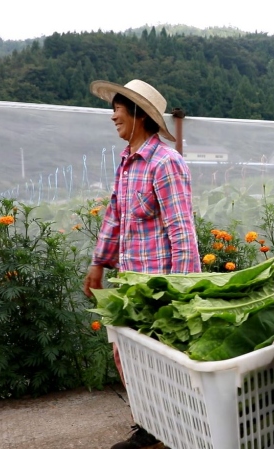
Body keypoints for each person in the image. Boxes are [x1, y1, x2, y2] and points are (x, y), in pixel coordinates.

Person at [83, 79, 201, 449]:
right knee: (129, 356)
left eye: (119, 107)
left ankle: (167, 433)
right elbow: (115, 218)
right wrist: (98, 264)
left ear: (140, 115)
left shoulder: (166, 163)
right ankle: (152, 426)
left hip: (159, 289)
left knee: (162, 364)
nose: (112, 114)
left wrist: (181, 295)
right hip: (130, 285)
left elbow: (183, 235)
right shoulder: (127, 162)